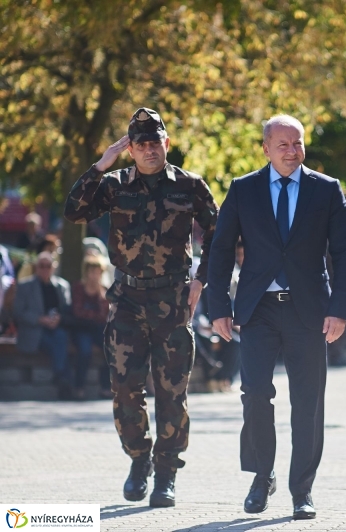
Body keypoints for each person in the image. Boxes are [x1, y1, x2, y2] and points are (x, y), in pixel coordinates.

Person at [63, 107, 218, 507]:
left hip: (172, 301)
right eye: (142, 144)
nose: (151, 150)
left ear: (167, 143)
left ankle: (166, 473)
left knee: (172, 392)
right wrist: (100, 164)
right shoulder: (114, 185)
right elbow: (74, 211)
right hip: (128, 301)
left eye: (156, 142)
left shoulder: (190, 186)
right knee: (125, 389)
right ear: (131, 149)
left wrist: (202, 279)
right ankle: (138, 459)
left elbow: (219, 231)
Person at [207, 114, 346, 519]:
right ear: (266, 149)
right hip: (258, 309)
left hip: (311, 311)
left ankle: (301, 490)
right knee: (255, 394)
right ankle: (261, 476)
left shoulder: (326, 190)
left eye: (298, 144)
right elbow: (220, 251)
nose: (292, 152)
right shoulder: (243, 190)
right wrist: (218, 305)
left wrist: (340, 308)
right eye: (284, 145)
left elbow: (343, 253)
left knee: (307, 402)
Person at [13, 252, 72, 399]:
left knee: (61, 337)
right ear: (36, 267)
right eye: (41, 266)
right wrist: (40, 319)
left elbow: (68, 311)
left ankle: (61, 378)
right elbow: (18, 313)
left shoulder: (62, 286)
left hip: (56, 329)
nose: (45, 269)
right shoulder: (25, 286)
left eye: (48, 266)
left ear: (53, 267)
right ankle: (62, 377)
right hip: (35, 331)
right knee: (58, 344)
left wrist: (59, 319)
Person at [69, 255, 110, 400]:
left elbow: (104, 314)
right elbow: (78, 312)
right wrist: (95, 316)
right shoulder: (78, 288)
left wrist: (100, 296)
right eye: (92, 271)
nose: (94, 275)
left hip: (99, 329)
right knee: (85, 351)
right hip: (82, 329)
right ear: (86, 272)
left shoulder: (104, 291)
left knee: (110, 348)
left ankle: (106, 387)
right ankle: (78, 387)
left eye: (97, 272)